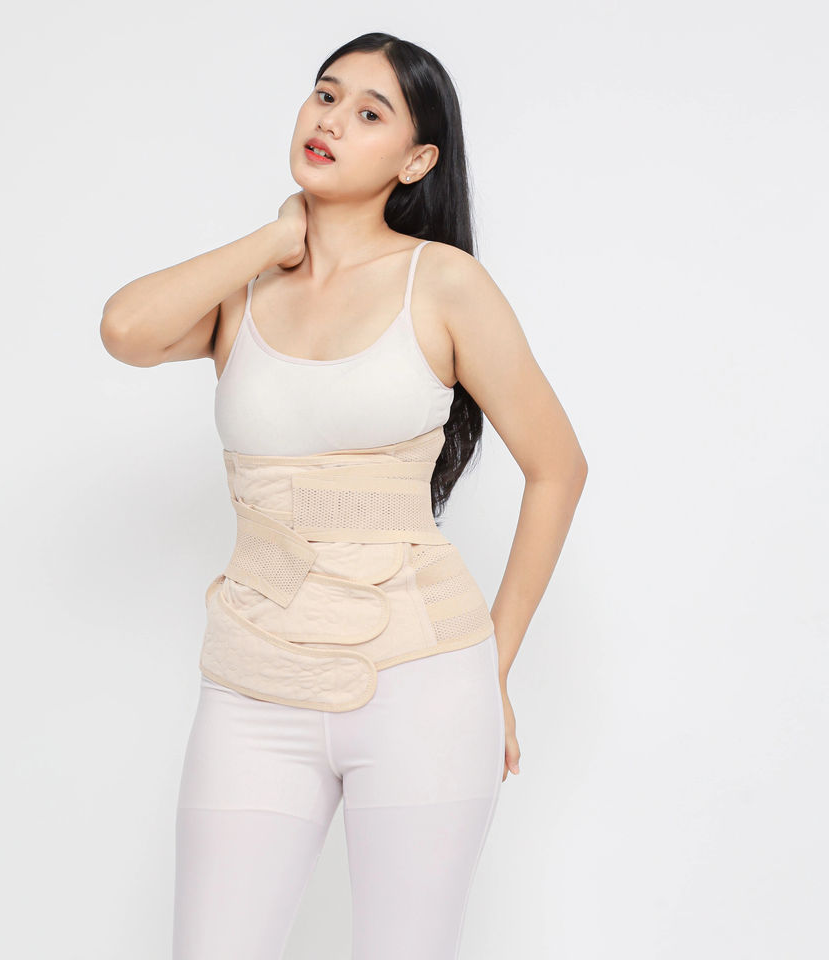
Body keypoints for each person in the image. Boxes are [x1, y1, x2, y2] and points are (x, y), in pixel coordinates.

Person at [100, 31, 587, 960]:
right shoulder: (244, 290)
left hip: (423, 682)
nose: (331, 121)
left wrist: (494, 669)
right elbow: (125, 329)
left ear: (416, 161)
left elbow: (558, 466)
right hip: (254, 681)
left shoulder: (443, 282)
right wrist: (276, 237)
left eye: (369, 113)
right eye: (325, 96)